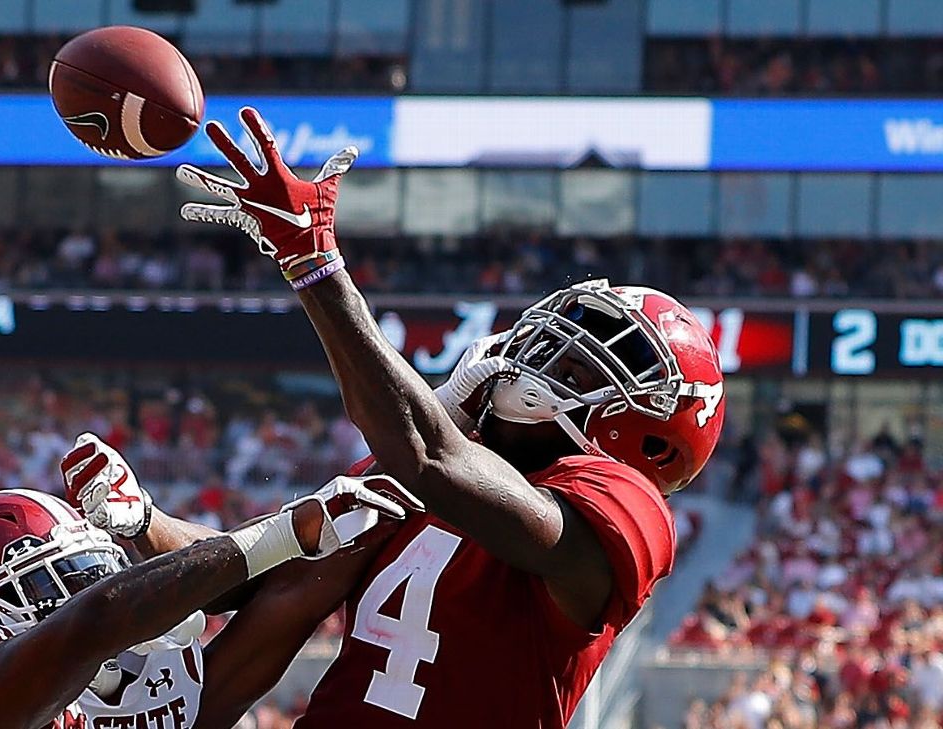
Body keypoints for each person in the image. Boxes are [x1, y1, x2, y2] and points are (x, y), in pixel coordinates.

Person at [168, 107, 727, 727]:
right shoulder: (422, 470)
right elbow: (267, 569)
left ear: (650, 438)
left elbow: (431, 457)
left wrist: (316, 265)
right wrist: (139, 528)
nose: (539, 358)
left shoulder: (627, 502)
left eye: (576, 368)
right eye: (553, 345)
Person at [0, 437, 408, 729]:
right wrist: (284, 533)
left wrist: (443, 420)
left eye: (90, 569)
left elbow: (297, 590)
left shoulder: (157, 700)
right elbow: (96, 621)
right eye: (48, 583)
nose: (86, 587)